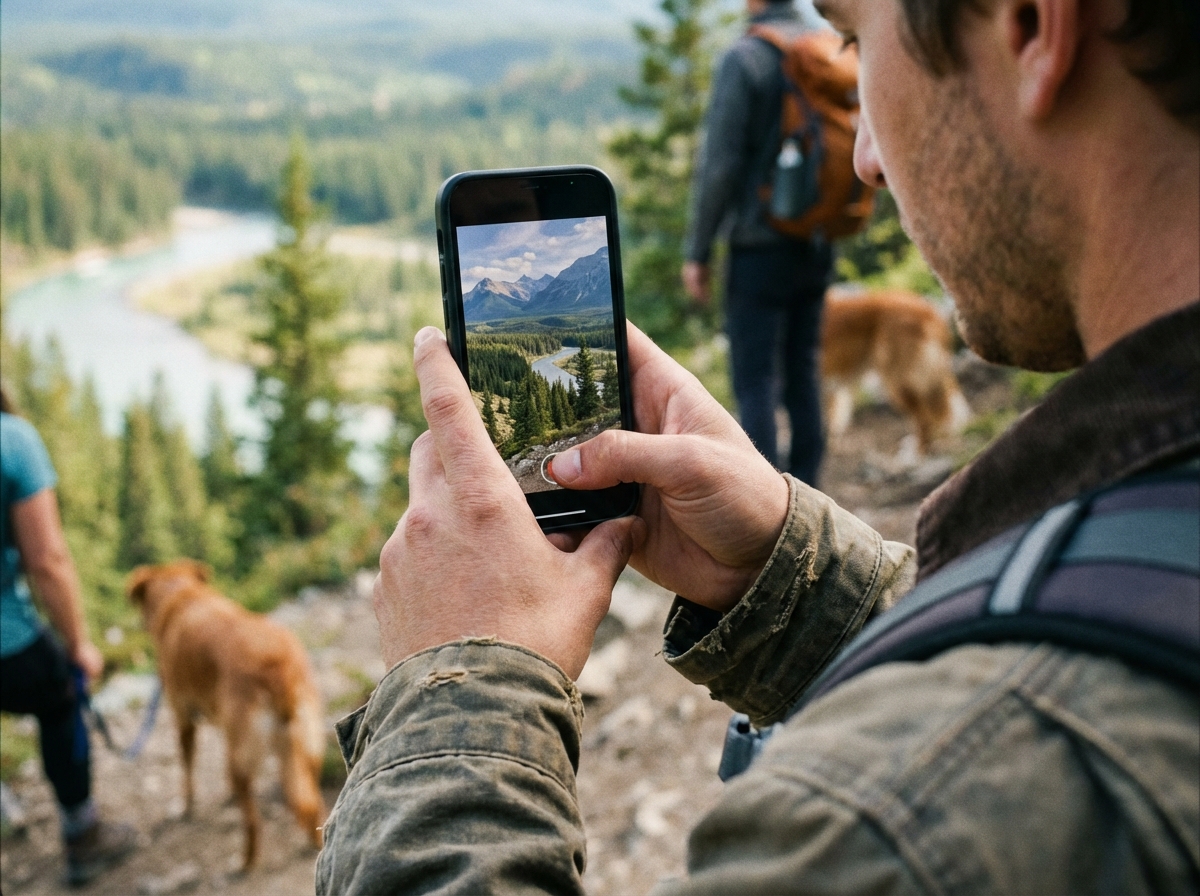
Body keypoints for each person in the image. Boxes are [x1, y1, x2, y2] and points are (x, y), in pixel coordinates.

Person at [317, 0, 1199, 892]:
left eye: (857, 41)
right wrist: (796, 581)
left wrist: (458, 694)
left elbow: (1008, 730)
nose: (865, 160)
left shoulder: (895, 832)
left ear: (1032, 26)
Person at [683, 0, 834, 485]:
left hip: (757, 247)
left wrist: (698, 251)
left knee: (756, 379)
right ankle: (810, 486)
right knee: (802, 368)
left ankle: (766, 499)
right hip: (816, 241)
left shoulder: (745, 57)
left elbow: (720, 165)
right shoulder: (823, 45)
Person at [0, 385, 136, 886]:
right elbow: (48, 562)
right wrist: (79, 645)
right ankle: (83, 836)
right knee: (59, 699)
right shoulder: (12, 440)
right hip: (7, 641)